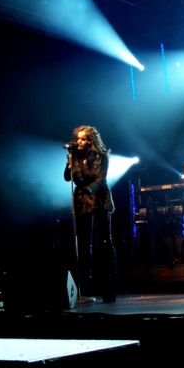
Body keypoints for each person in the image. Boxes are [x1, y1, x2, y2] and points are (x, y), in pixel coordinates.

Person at [64, 125, 117, 303]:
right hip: (82, 202)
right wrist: (69, 161)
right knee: (84, 244)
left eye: (82, 139)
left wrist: (88, 189)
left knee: (105, 242)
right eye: (78, 138)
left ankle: (109, 289)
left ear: (90, 141)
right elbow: (67, 177)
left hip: (100, 200)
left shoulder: (102, 156)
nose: (78, 141)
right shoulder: (74, 156)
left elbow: (100, 179)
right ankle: (85, 290)